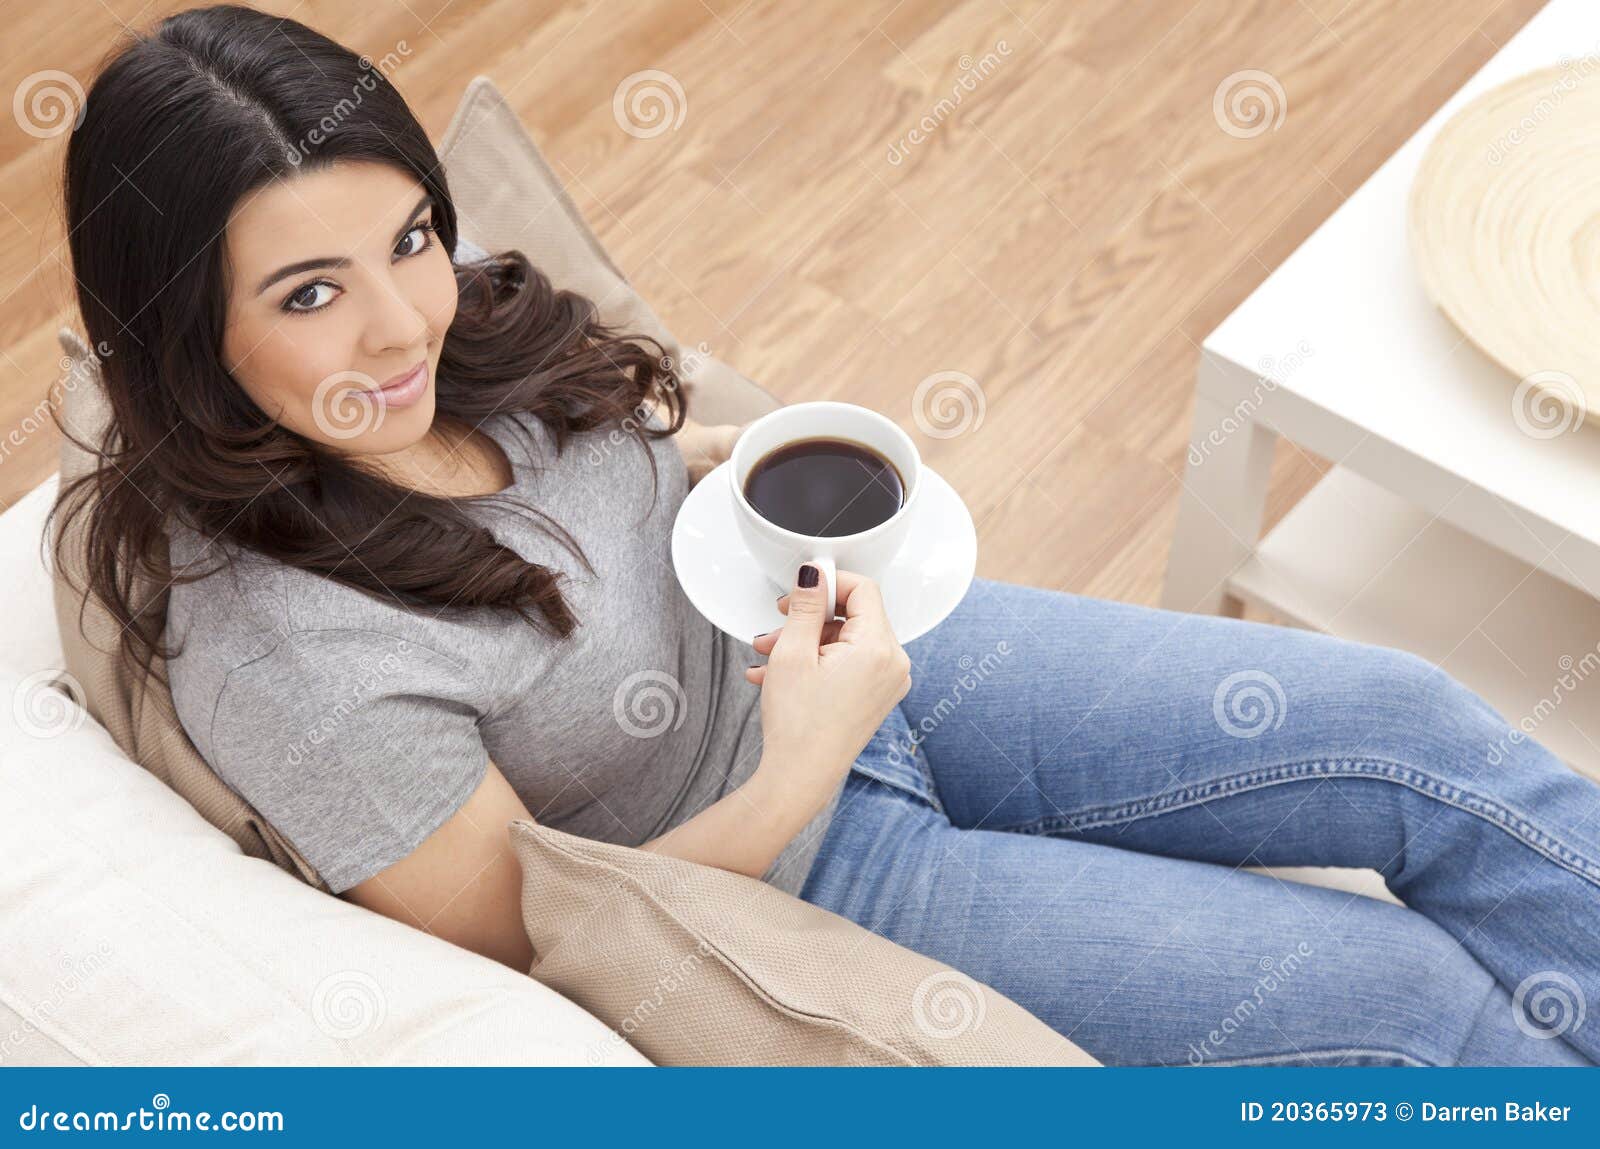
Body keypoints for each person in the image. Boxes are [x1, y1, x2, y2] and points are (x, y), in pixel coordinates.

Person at [50, 4, 1599, 1067]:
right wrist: (798, 763)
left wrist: (748, 455)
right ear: (185, 329)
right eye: (309, 293)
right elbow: (543, 939)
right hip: (804, 853)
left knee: (1414, 726)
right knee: (1419, 1015)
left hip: (849, 637)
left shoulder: (447, 329)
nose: (403, 325)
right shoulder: (288, 652)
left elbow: (597, 445)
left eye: (409, 239)